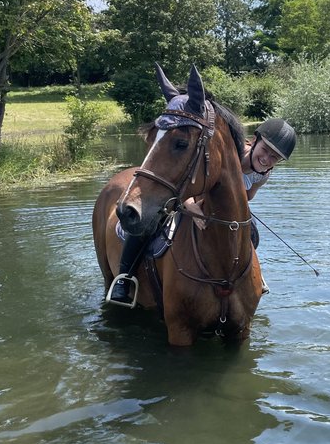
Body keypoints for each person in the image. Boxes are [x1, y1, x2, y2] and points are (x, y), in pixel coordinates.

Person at [106, 118, 297, 306]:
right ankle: (124, 278)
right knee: (152, 222)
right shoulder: (231, 155)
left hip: (224, 208)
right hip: (192, 196)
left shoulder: (264, 173)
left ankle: (249, 279)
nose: (266, 159)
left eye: (274, 157)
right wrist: (190, 205)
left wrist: (236, 210)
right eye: (265, 150)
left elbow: (248, 194)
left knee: (252, 235)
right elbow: (192, 180)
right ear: (255, 141)